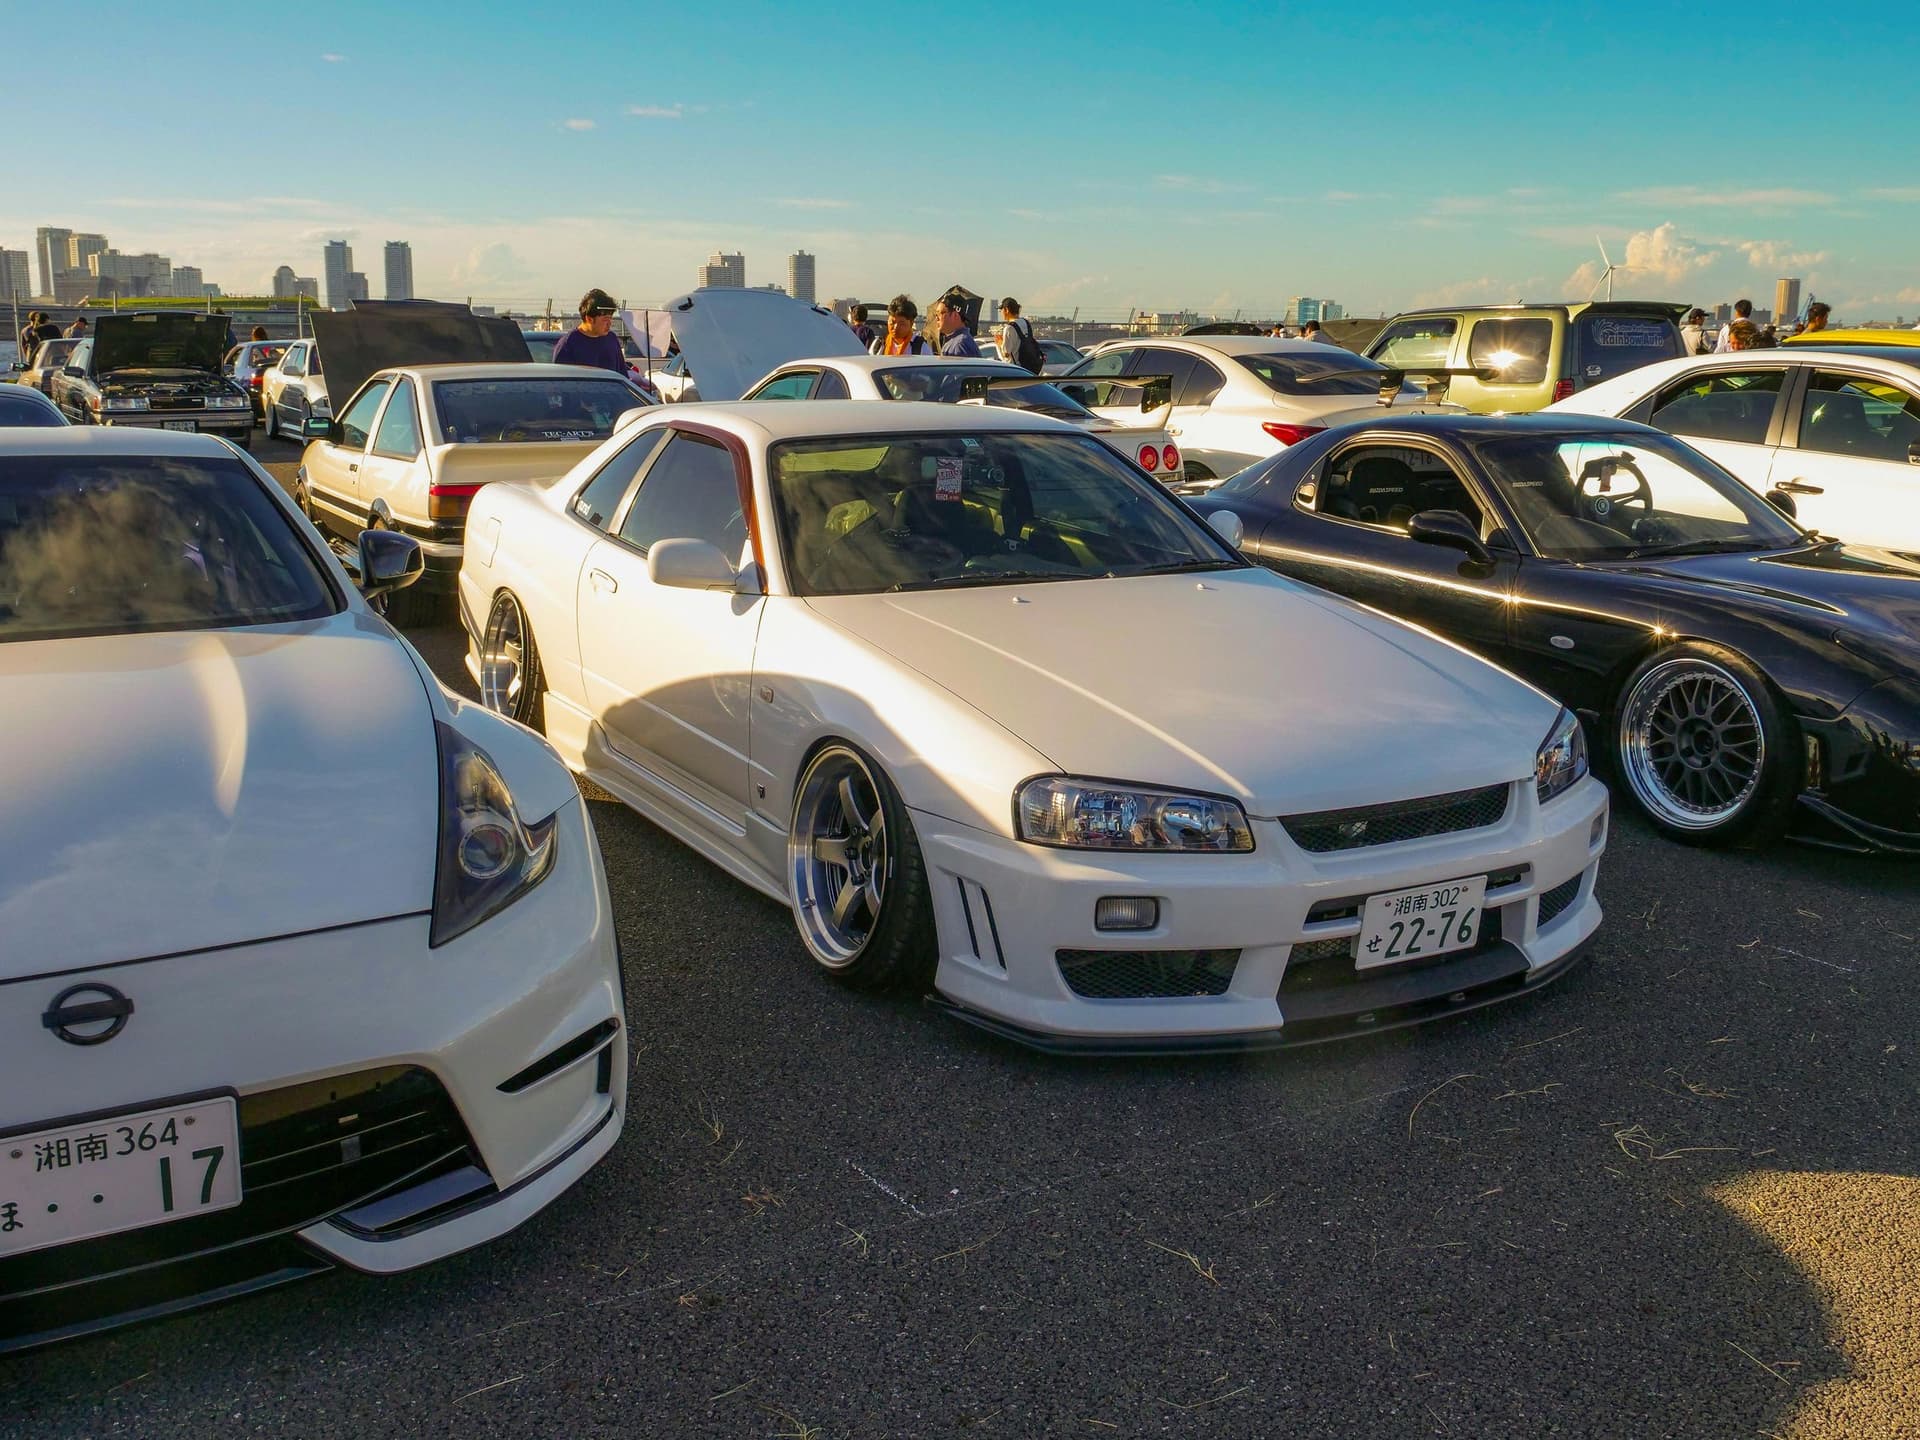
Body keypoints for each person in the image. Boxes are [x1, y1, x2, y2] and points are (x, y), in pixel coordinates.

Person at [551, 288, 628, 375]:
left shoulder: (611, 339)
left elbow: (622, 375)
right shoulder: (568, 345)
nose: (610, 323)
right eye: (605, 319)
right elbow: (561, 382)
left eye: (611, 318)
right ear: (589, 319)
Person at [997, 297, 1042, 373]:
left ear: (1006, 310)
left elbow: (1006, 354)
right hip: (1029, 369)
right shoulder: (1026, 322)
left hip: (1015, 369)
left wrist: (999, 342)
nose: (1001, 313)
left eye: (1001, 310)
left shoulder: (1009, 328)